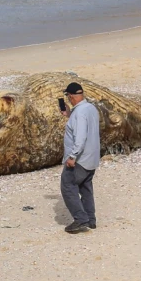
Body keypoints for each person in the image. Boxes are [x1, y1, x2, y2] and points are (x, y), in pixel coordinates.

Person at [60, 81, 101, 234]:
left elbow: (80, 136)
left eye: (68, 96)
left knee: (67, 186)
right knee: (85, 188)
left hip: (80, 159)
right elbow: (86, 127)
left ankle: (80, 219)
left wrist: (72, 156)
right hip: (92, 158)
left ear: (70, 96)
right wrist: (70, 115)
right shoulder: (90, 108)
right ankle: (91, 220)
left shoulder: (79, 113)